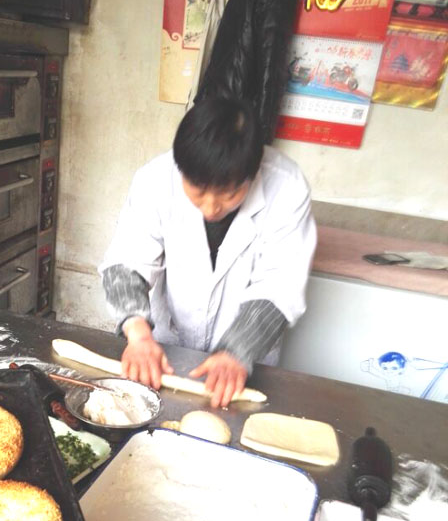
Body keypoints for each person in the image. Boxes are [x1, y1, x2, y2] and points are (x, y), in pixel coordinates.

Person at [99, 97, 316, 408]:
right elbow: (127, 260)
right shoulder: (155, 180)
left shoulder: (287, 188)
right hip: (163, 352)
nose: (212, 207)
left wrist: (236, 351)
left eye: (229, 194)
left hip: (243, 362)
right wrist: (139, 334)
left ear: (252, 173)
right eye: (198, 191)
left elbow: (279, 285)